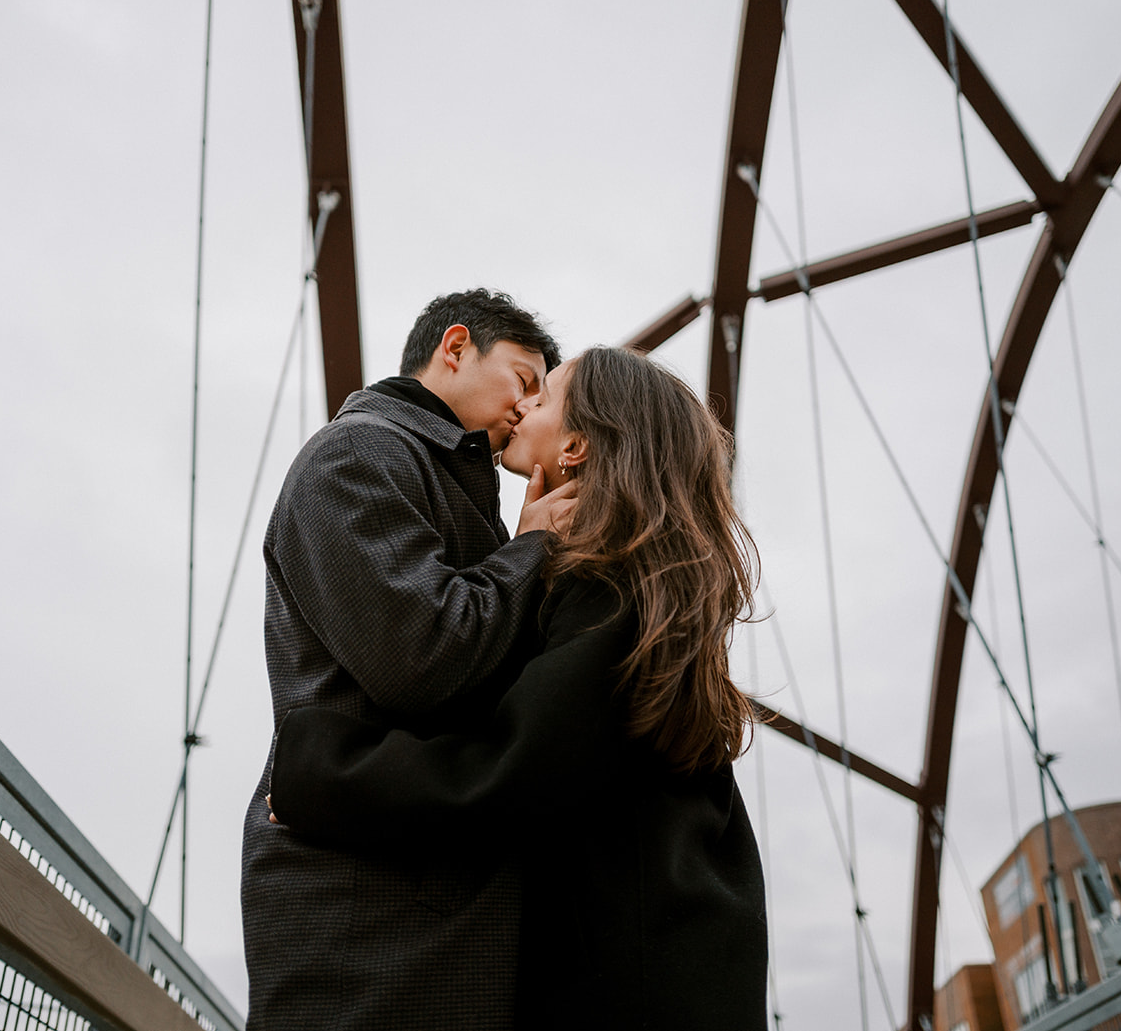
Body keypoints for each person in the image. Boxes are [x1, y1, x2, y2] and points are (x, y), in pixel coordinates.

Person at [268, 346, 770, 1030]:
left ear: (576, 444)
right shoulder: (640, 587)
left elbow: (512, 771)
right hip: (670, 967)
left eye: (546, 393)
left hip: (632, 990)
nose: (524, 407)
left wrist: (320, 770)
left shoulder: (606, 590)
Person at [241, 289, 571, 1030]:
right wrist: (531, 549)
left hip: (407, 884)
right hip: (362, 906)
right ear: (454, 348)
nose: (532, 406)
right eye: (524, 379)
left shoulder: (444, 482)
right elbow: (420, 654)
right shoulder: (355, 454)